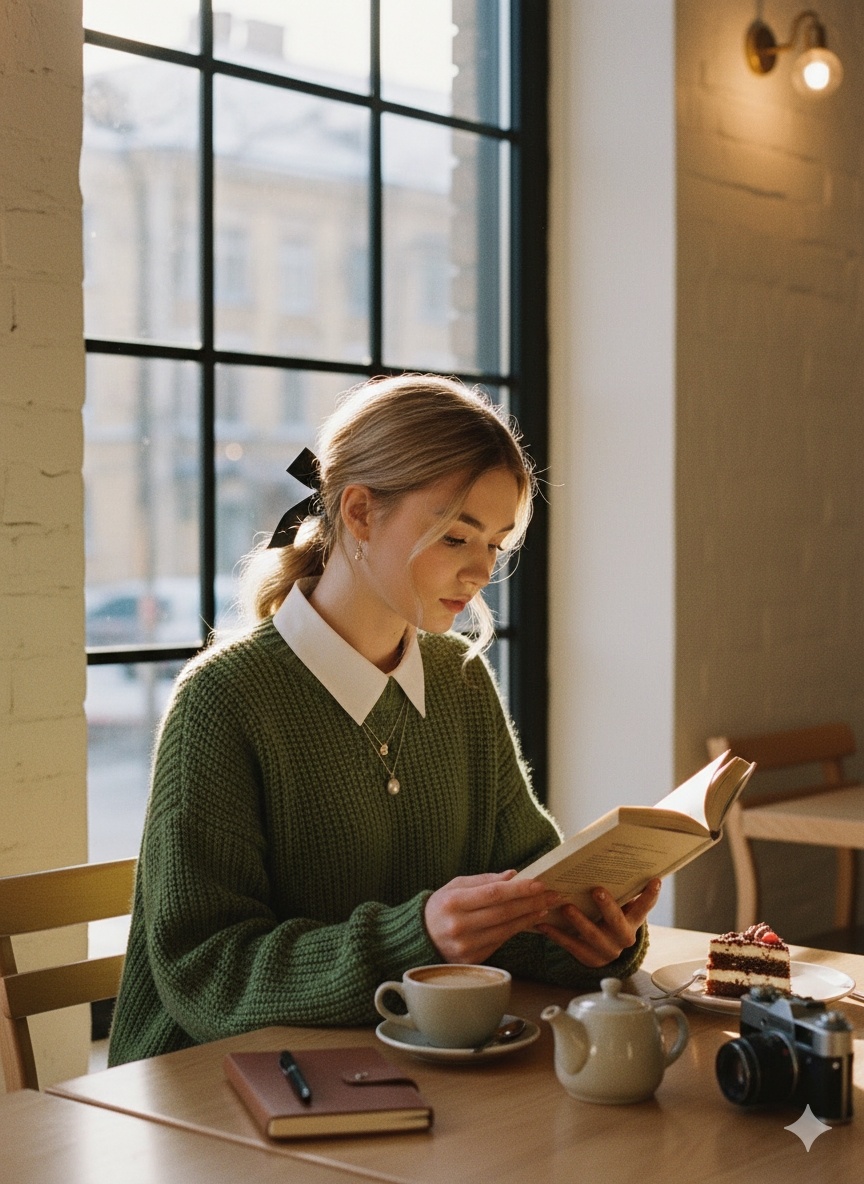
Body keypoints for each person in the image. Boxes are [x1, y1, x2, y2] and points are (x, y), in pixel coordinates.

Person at [108, 374, 659, 1066]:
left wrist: (591, 937)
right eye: (457, 538)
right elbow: (206, 972)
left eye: (495, 544)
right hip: (209, 1091)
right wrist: (415, 937)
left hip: (397, 1065)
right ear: (361, 513)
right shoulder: (223, 702)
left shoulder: (460, 681)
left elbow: (512, 906)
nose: (481, 571)